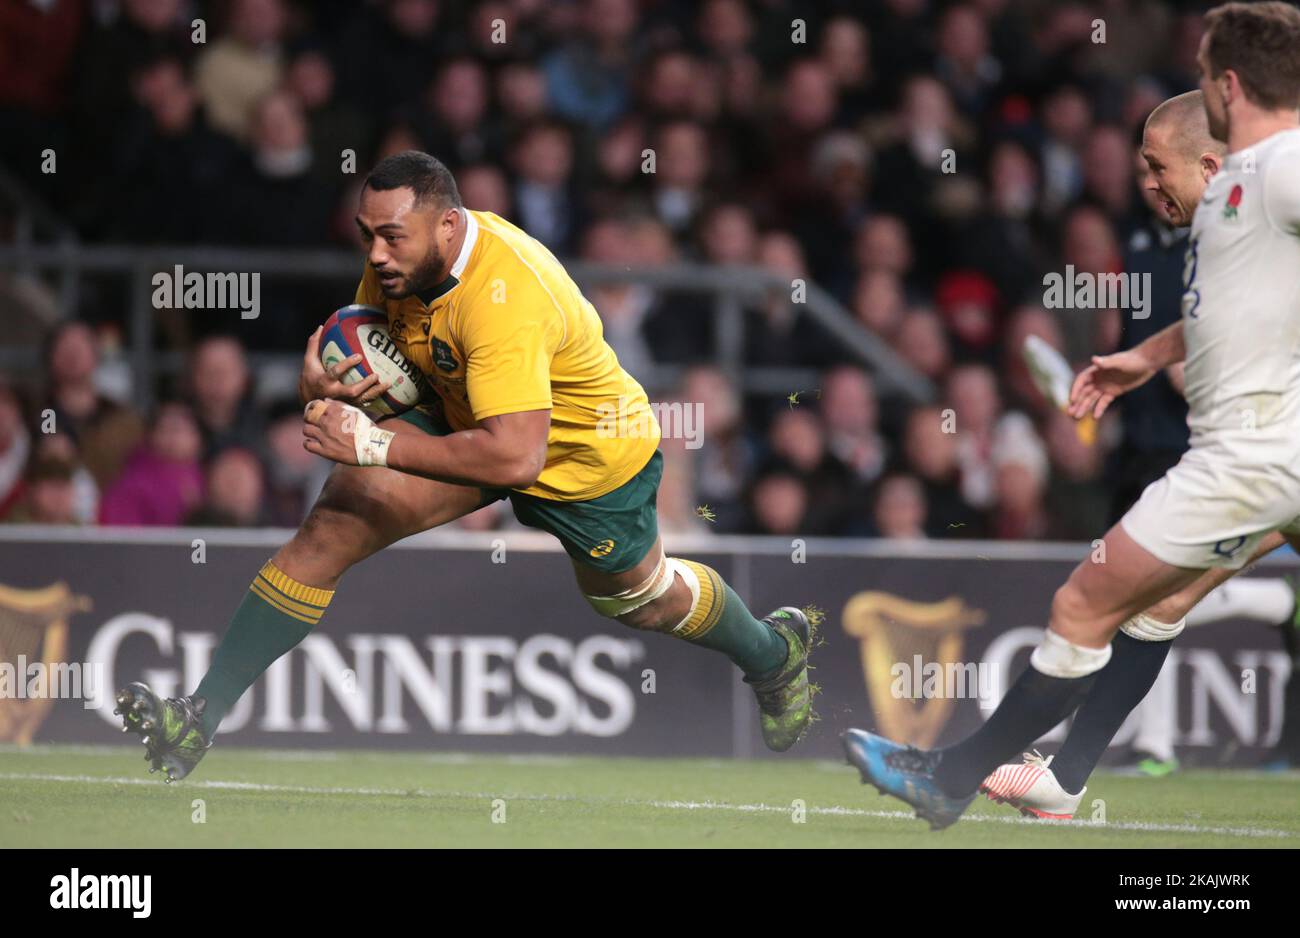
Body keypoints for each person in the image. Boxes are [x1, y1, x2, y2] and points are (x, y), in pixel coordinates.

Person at [112, 152, 814, 781]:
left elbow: (516, 456)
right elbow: (367, 358)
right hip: (465, 414)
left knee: (643, 600)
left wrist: (373, 444)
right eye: (368, 235)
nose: (378, 254)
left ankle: (771, 653)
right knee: (335, 521)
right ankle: (198, 716)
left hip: (583, 455)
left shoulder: (504, 298)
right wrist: (322, 385)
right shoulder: (400, 258)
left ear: (448, 226)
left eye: (393, 237)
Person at [843, 1, 1300, 829]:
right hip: (1276, 455)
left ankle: (950, 777)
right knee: (1158, 604)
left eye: (1202, 75)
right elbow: (1234, 306)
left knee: (1085, 604)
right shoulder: (1247, 184)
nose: (1150, 185)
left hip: (1257, 456)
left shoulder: (1279, 169)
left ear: (1228, 86)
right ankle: (1063, 776)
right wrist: (1146, 357)